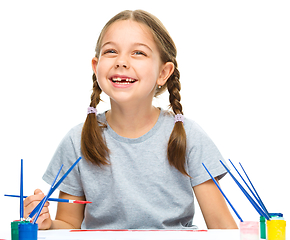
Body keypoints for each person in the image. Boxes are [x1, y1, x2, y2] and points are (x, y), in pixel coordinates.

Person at [24, 9, 238, 230]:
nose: (122, 61)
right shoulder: (76, 140)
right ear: (96, 67)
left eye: (138, 53)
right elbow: (69, 224)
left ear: (163, 73)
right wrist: (46, 223)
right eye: (111, 51)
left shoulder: (188, 135)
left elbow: (221, 226)